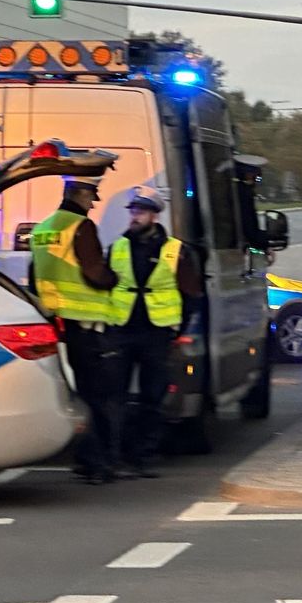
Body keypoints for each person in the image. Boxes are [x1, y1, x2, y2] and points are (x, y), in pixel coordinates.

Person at [107, 186, 203, 478]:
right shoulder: (118, 247)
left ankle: (144, 456)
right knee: (116, 396)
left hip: (157, 333)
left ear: (155, 216)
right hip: (122, 329)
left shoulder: (176, 250)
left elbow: (191, 293)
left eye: (141, 212)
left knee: (152, 396)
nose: (134, 217)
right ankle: (118, 456)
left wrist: (178, 329)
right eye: (133, 211)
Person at [30, 175, 119, 484]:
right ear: (78, 195)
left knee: (74, 395)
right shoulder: (81, 227)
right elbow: (94, 272)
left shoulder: (41, 230)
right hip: (84, 324)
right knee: (96, 395)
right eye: (91, 196)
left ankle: (83, 459)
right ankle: (99, 463)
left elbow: (34, 276)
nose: (94, 202)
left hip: (55, 322)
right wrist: (114, 279)